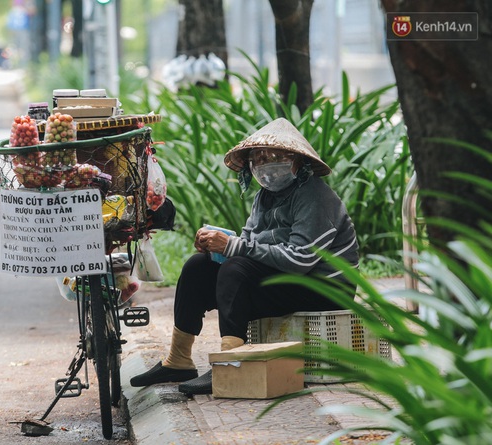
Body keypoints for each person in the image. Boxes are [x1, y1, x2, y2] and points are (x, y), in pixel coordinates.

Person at [129, 118, 359, 395]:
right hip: (285, 282)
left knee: (235, 269)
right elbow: (249, 241)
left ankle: (231, 363)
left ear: (298, 162)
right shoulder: (264, 197)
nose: (266, 163)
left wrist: (233, 247)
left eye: (276, 156)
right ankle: (178, 359)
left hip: (323, 288)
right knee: (197, 267)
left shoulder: (315, 197)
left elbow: (299, 261)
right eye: (258, 158)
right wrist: (217, 245)